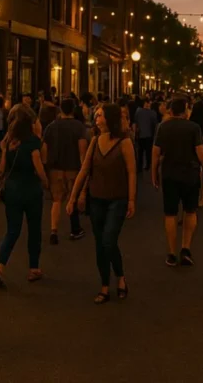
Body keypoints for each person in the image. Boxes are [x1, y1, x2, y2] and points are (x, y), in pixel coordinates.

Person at [67, 103, 136, 303]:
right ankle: (105, 284)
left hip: (118, 199)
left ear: (110, 118)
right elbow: (84, 170)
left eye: (100, 115)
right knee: (100, 243)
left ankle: (120, 276)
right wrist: (73, 197)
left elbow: (131, 172)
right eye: (95, 115)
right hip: (97, 199)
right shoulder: (95, 140)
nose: (95, 118)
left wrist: (131, 199)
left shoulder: (124, 142)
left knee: (108, 239)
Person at [0, 110, 47, 287]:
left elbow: (1, 170)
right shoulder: (33, 143)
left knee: (12, 230)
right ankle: (33, 268)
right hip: (31, 189)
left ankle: (0, 267)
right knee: (34, 229)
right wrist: (45, 182)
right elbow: (38, 167)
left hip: (12, 190)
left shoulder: (9, 143)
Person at [152, 97, 203, 267]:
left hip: (169, 173)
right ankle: (186, 248)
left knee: (170, 213)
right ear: (185, 110)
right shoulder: (194, 128)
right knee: (190, 212)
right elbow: (200, 154)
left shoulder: (163, 127)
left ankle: (171, 252)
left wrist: (154, 173)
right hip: (190, 174)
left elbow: (156, 153)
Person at [42, 98, 89, 244]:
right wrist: (84, 167)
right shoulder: (79, 127)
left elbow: (44, 149)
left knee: (56, 200)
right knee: (71, 197)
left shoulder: (51, 127)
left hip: (55, 168)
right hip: (73, 167)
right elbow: (82, 149)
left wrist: (45, 167)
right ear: (73, 109)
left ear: (60, 109)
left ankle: (53, 230)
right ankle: (75, 228)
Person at [133, 98, 158, 172]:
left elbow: (135, 121)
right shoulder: (152, 113)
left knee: (140, 152)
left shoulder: (138, 111)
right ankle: (147, 165)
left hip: (140, 134)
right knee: (148, 151)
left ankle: (139, 166)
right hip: (149, 135)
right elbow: (155, 123)